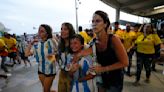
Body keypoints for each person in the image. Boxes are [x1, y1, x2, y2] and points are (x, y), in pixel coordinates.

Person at [25, 24, 57, 92]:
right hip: (40, 71)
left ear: (47, 33)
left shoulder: (51, 41)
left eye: (42, 31)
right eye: (39, 31)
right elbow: (26, 54)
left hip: (50, 71)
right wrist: (31, 43)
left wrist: (53, 56)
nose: (39, 33)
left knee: (45, 90)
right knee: (46, 89)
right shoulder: (37, 44)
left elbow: (59, 51)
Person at [58, 22, 75, 92]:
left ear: (70, 31)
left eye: (65, 29)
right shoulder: (60, 44)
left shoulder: (75, 43)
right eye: (61, 29)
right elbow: (60, 59)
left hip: (72, 74)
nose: (62, 31)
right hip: (62, 73)